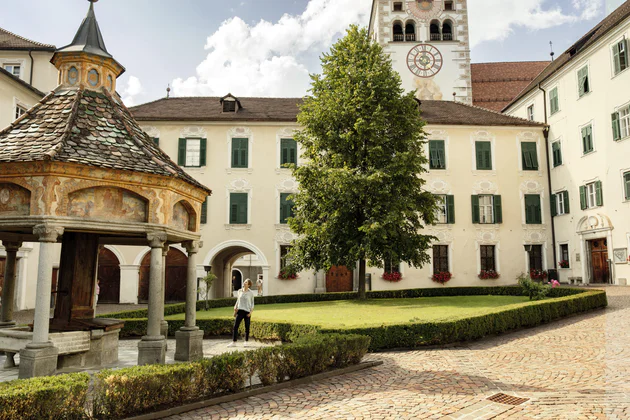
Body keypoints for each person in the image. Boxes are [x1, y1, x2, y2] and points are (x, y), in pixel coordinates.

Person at [228, 279, 254, 348]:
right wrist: (235, 306)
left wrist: (251, 312)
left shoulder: (251, 293)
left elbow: (252, 303)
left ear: (249, 285)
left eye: (246, 282)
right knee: (235, 326)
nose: (244, 283)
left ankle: (246, 341)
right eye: (244, 282)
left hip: (247, 312)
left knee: (247, 327)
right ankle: (234, 342)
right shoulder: (239, 291)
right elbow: (237, 300)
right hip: (240, 311)